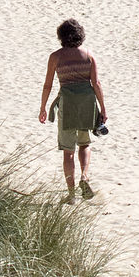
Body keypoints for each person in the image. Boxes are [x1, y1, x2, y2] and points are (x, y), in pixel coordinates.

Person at [39, 18, 107, 202]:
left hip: (67, 104)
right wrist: (103, 108)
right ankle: (84, 177)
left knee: (68, 151)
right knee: (84, 144)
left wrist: (43, 107)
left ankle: (71, 196)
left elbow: (47, 85)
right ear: (80, 35)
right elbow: (96, 83)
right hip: (86, 103)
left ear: (61, 36)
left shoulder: (56, 57)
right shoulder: (88, 55)